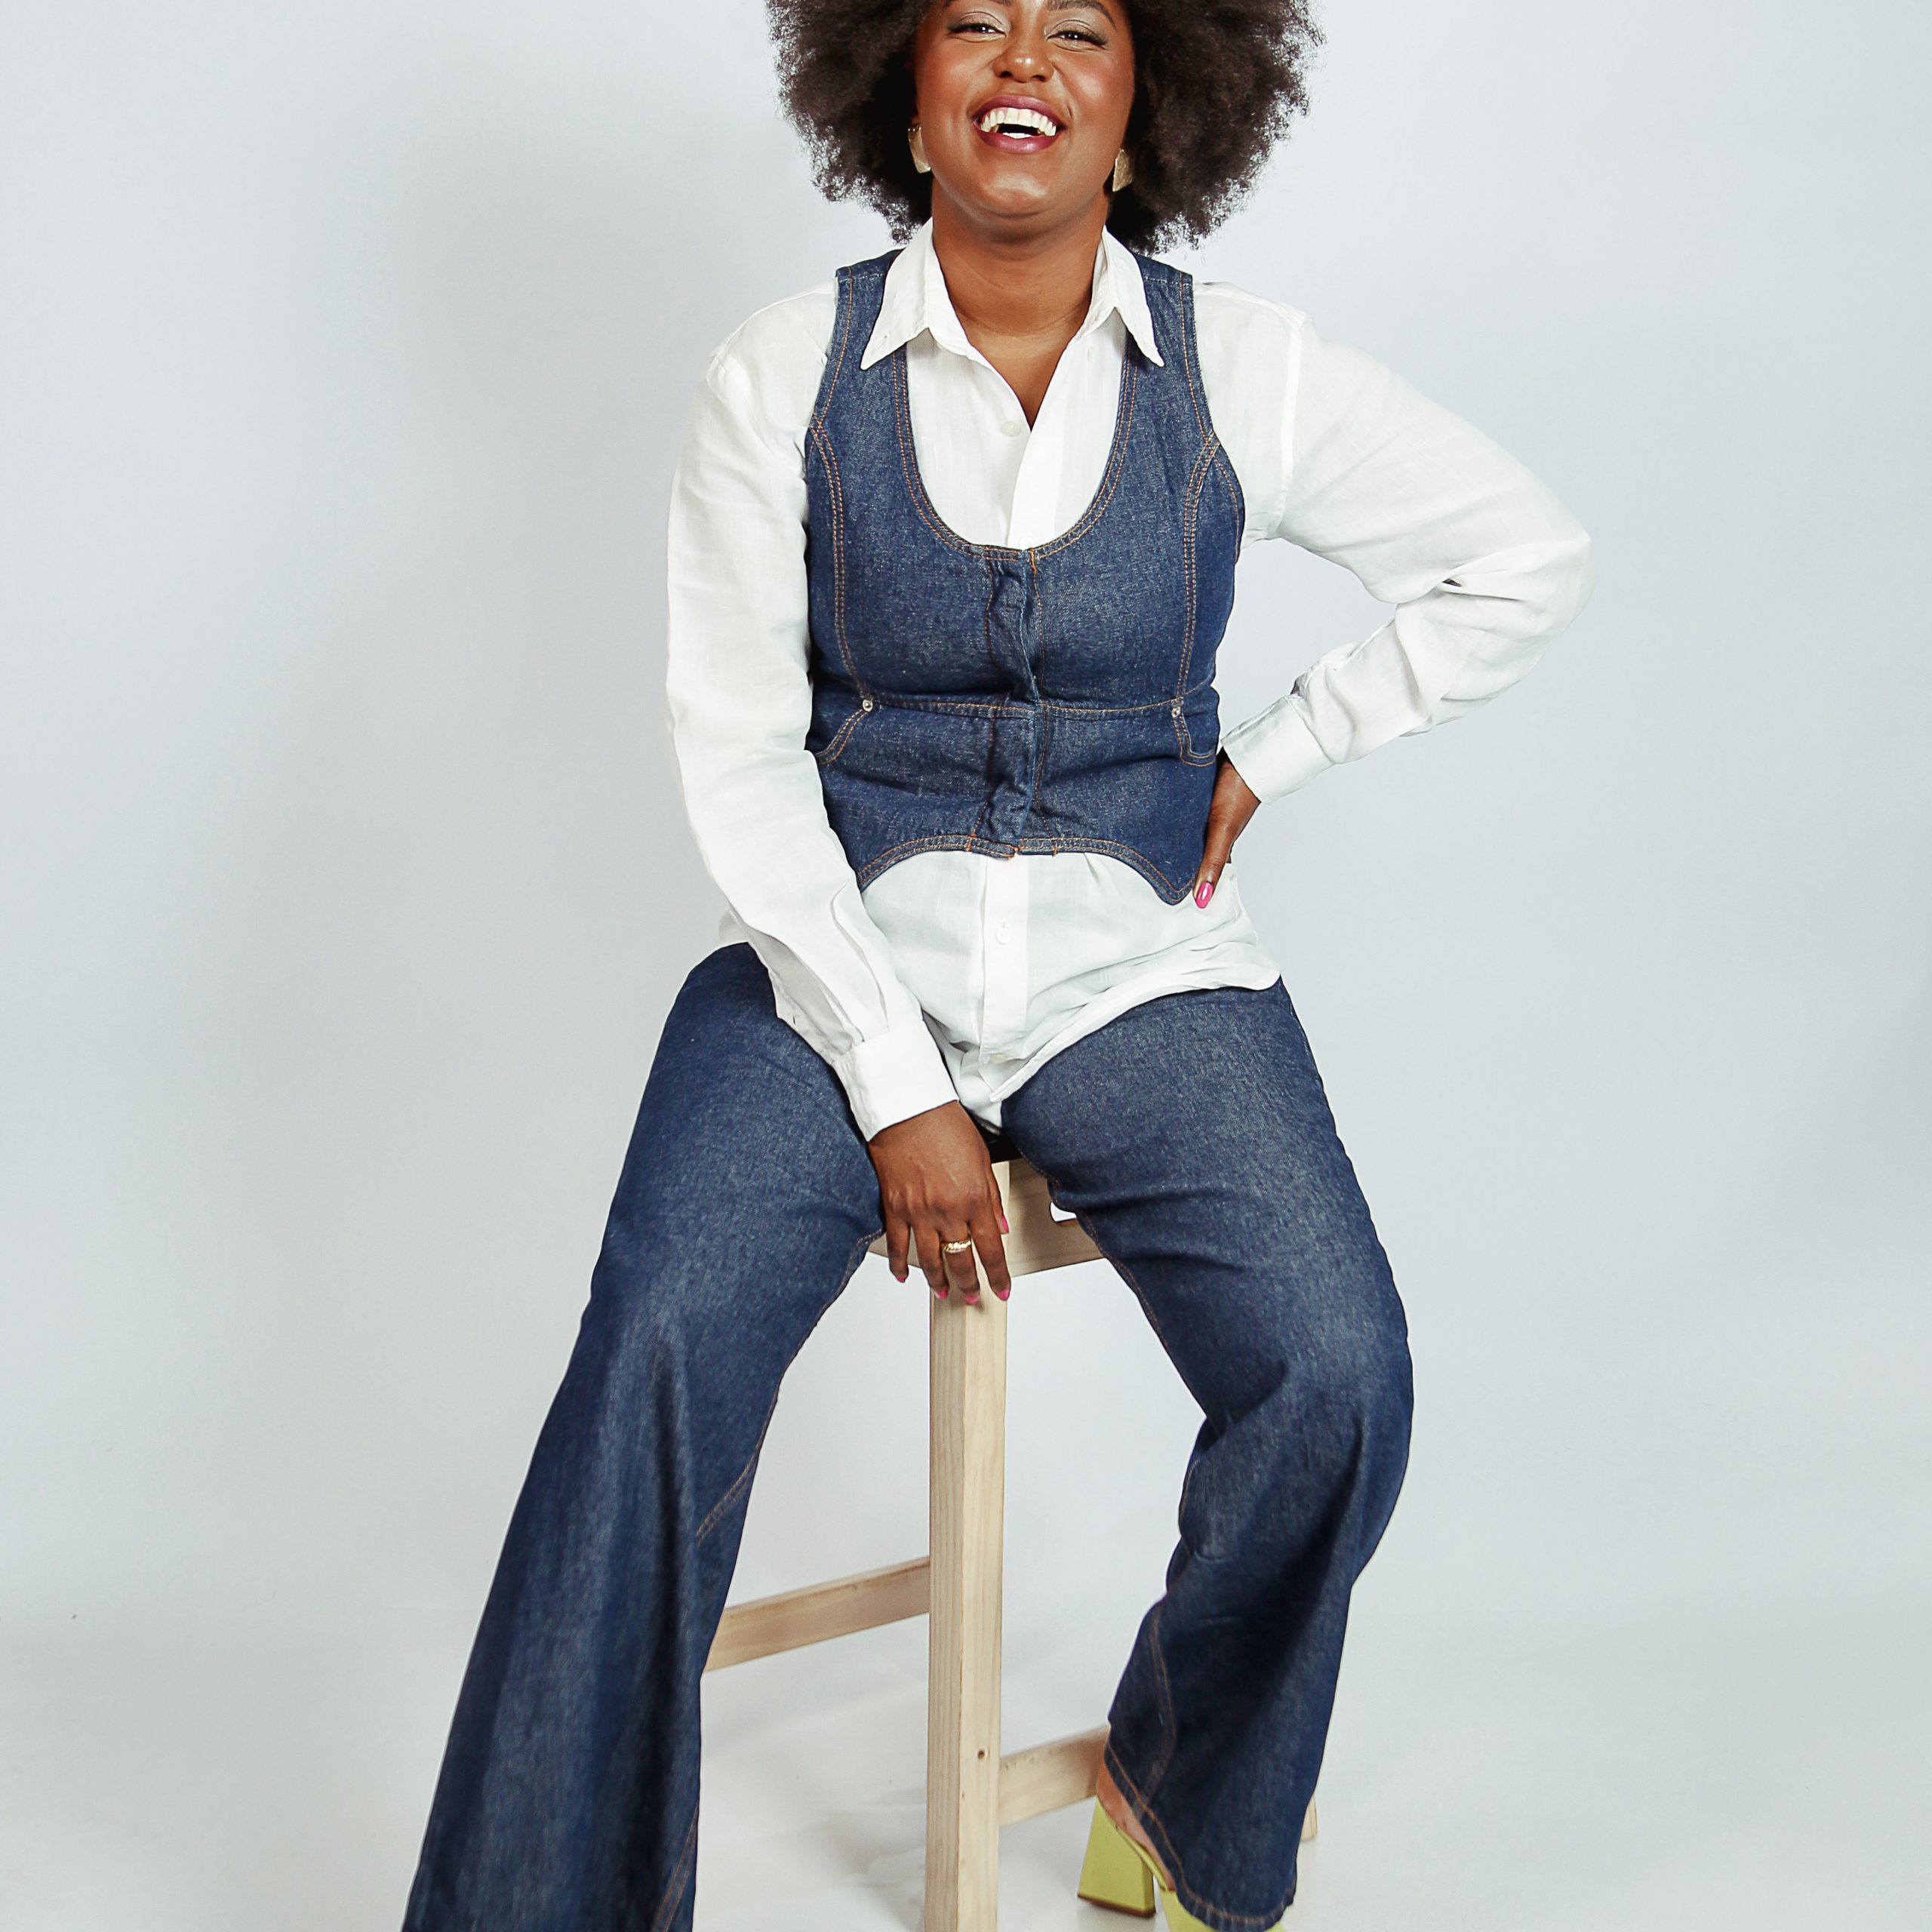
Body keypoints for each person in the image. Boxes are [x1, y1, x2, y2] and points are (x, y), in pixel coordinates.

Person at [401, 2, 1594, 1928]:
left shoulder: (1243, 369)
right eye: (971, 18)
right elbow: (737, 760)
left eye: (1076, 29)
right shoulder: (778, 375)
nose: (1020, 57)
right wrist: (897, 1087)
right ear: (901, 94)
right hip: (836, 961)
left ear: (1145, 108)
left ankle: (1176, 1787)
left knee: (1336, 1368)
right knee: (654, 1342)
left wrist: (1271, 754)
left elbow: (1520, 554)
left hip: (1135, 968)